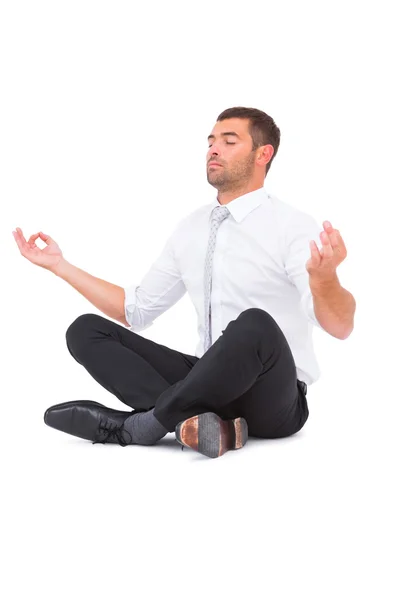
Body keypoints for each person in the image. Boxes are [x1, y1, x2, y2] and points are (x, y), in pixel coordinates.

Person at [12, 106, 356, 459]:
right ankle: (204, 425)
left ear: (262, 154)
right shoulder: (190, 228)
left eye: (229, 141)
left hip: (273, 398)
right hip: (207, 384)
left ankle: (146, 424)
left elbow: (340, 326)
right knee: (85, 331)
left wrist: (325, 279)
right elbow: (137, 310)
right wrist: (60, 266)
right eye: (211, 141)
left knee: (256, 324)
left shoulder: (293, 226)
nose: (213, 149)